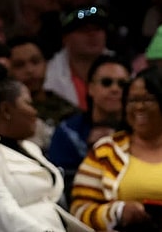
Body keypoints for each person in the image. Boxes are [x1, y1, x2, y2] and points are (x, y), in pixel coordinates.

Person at [0, 63, 91, 232]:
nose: (35, 112)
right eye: (28, 103)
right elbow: (0, 209)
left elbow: (50, 205)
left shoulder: (30, 148)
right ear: (6, 110)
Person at [70, 66, 162, 231]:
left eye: (148, 99)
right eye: (132, 100)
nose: (138, 107)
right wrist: (117, 212)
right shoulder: (105, 151)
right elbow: (78, 212)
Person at [47, 54, 128, 201]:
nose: (115, 89)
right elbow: (58, 183)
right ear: (90, 88)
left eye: (122, 84)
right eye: (106, 82)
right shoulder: (67, 132)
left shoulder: (141, 131)